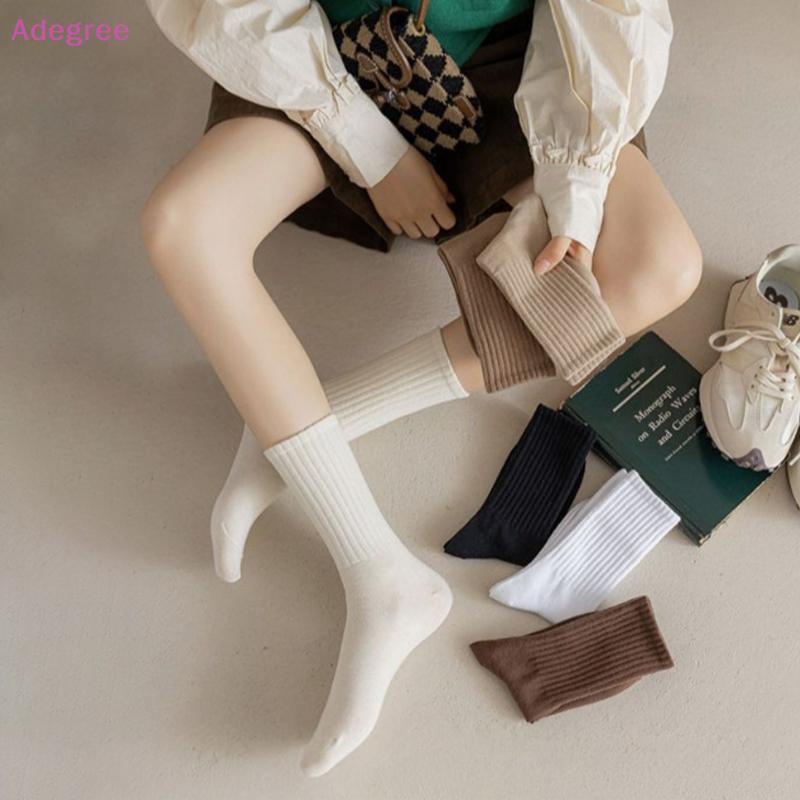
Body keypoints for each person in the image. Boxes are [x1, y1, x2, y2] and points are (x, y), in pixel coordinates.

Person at [141, 0, 702, 776]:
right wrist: (369, 148)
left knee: (659, 267)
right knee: (181, 226)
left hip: (516, 56)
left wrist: (573, 185)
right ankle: (378, 570)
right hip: (315, 50)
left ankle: (304, 431)